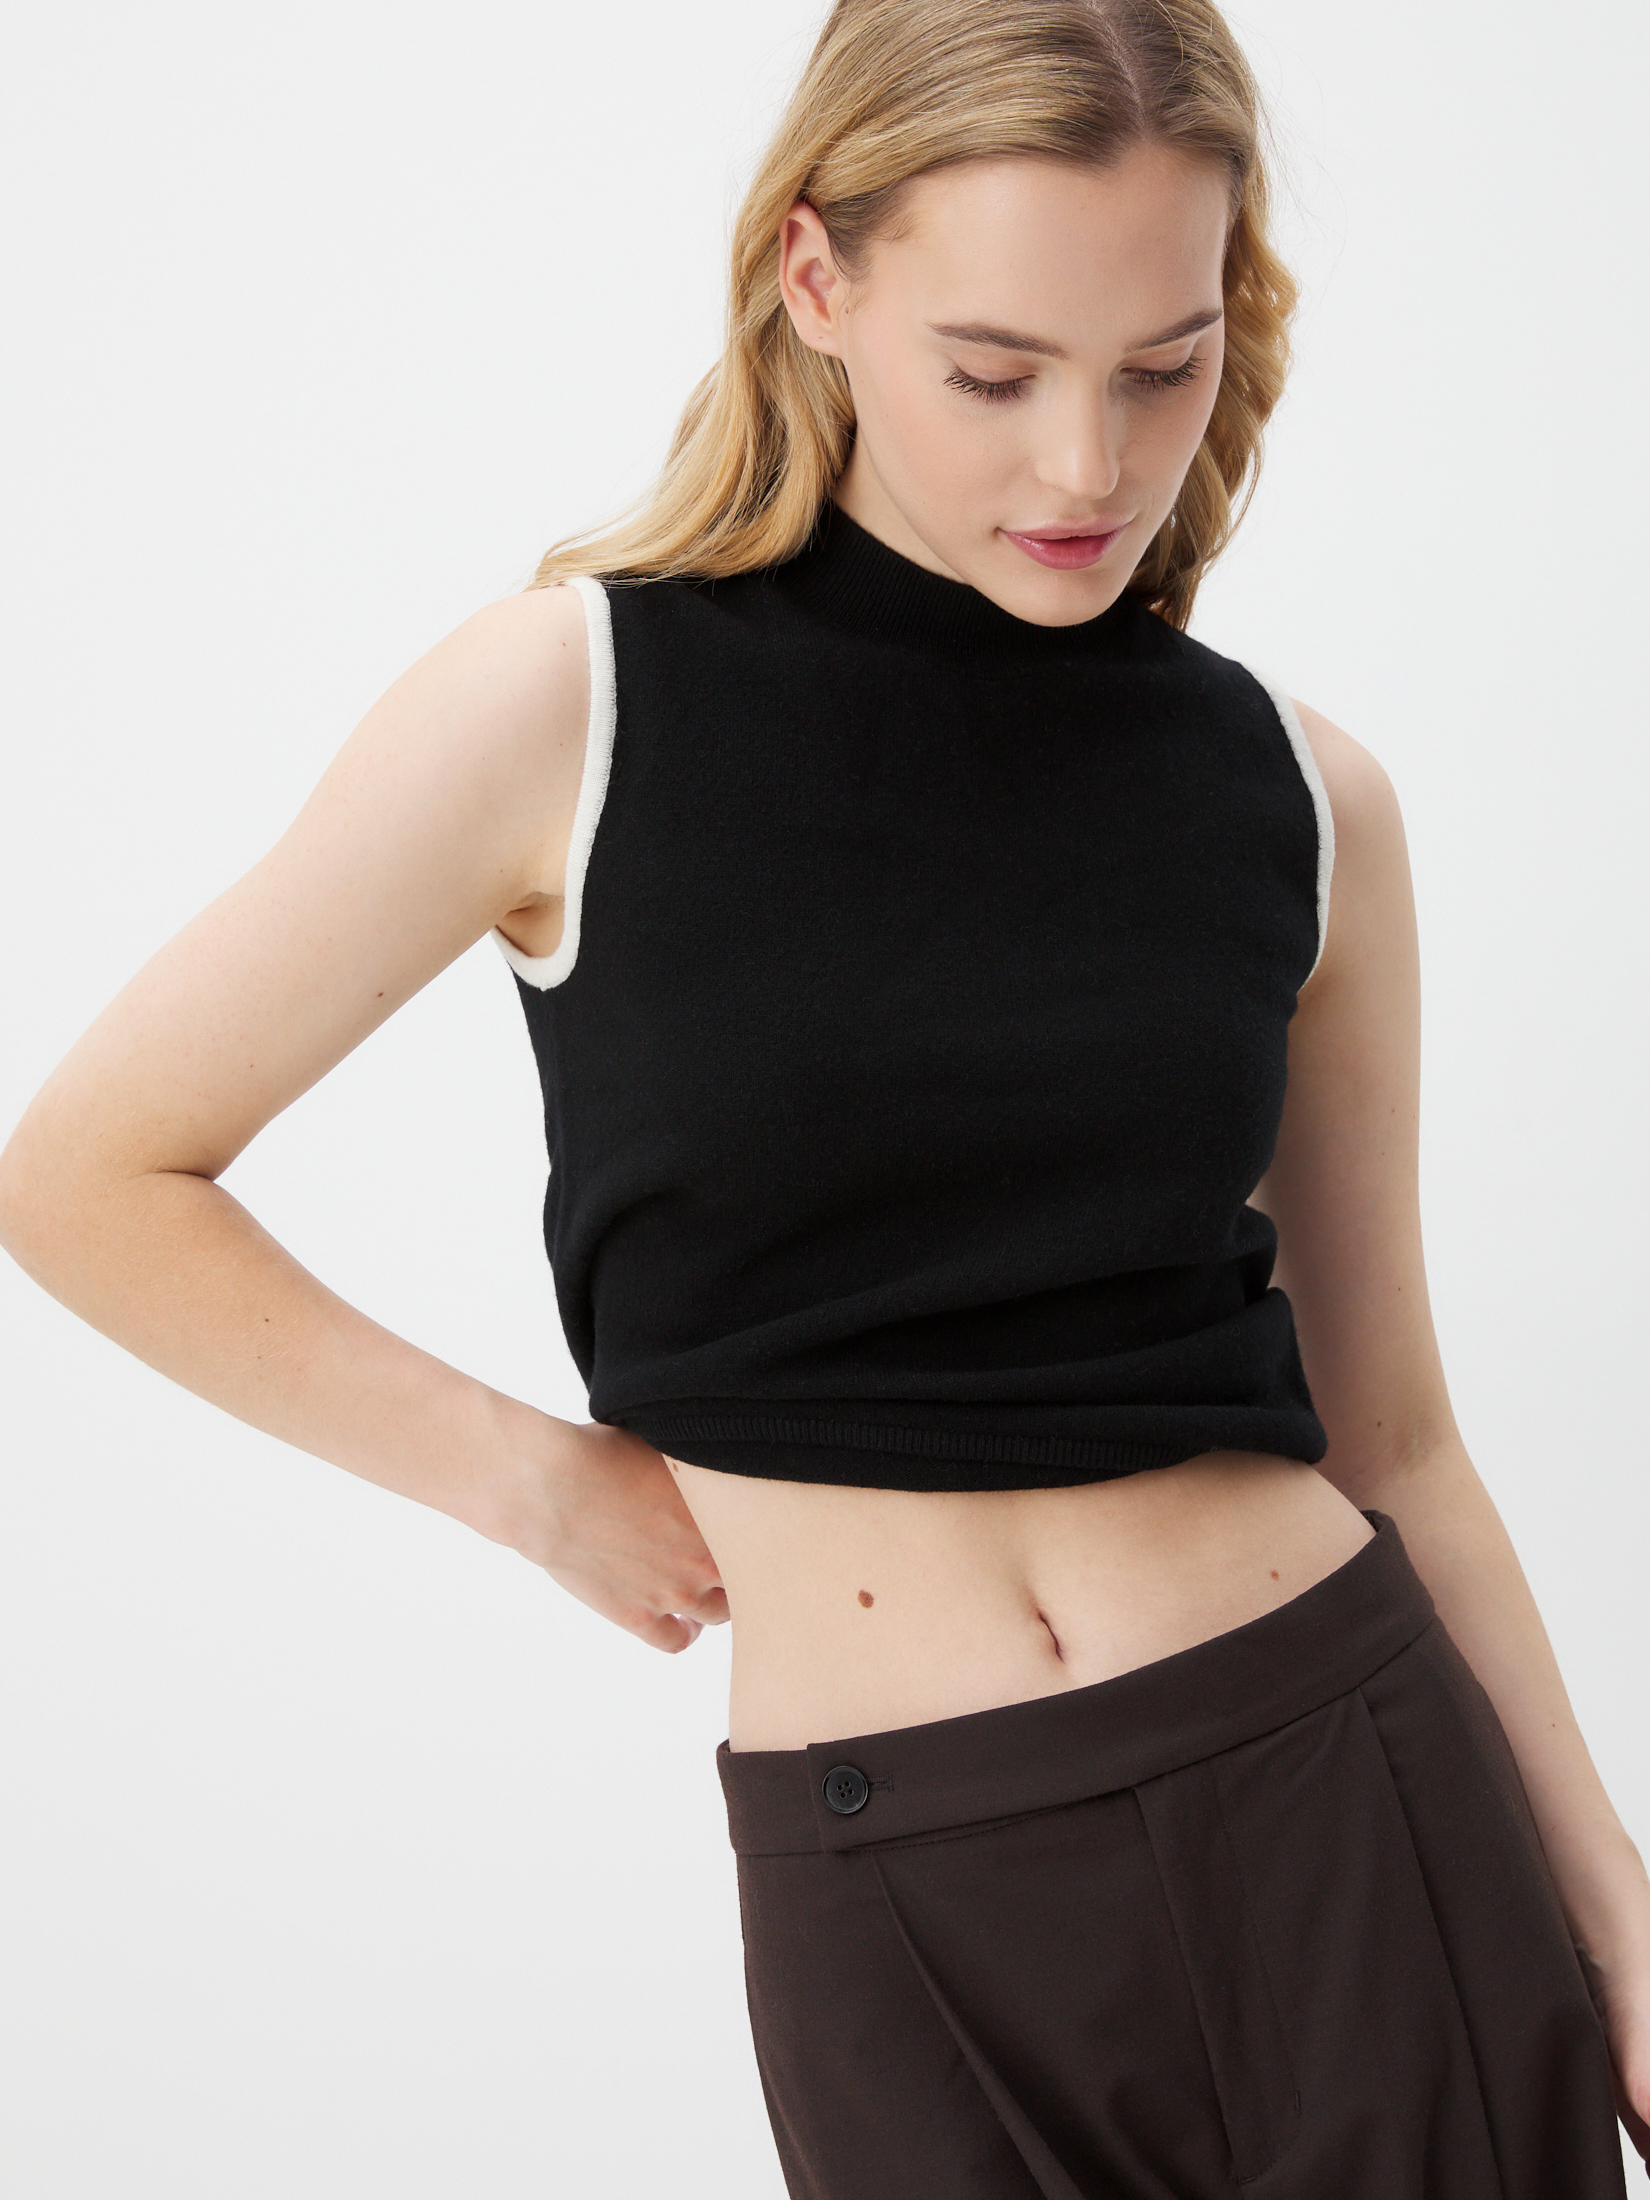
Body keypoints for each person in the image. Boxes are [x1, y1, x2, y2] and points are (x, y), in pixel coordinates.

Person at [1, 0, 1645, 2191]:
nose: (1089, 467)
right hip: (912, 1888)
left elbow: (1402, 1444)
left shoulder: (1299, 792)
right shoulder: (569, 705)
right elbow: (91, 1172)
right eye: (995, 372)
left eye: (1161, 366)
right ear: (816, 275)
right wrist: (528, 1480)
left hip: (1352, 1788)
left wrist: (1626, 1929)